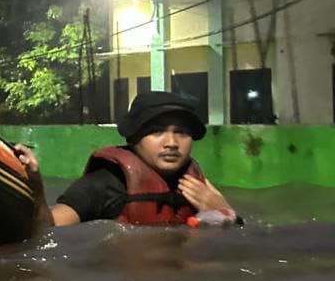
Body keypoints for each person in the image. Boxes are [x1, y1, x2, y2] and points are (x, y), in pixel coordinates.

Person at [13, 91, 240, 228]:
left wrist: (226, 212)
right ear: (134, 137)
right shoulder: (104, 184)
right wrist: (36, 189)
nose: (172, 142)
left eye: (181, 132)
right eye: (157, 131)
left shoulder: (199, 188)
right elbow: (49, 229)